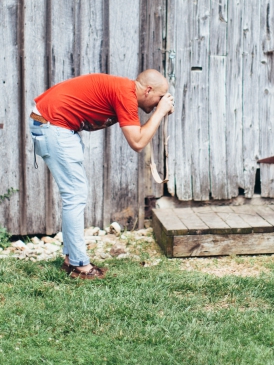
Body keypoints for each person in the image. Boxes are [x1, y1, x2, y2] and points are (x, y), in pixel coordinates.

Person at [29, 70, 174, 279]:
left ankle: (72, 260)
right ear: (148, 90)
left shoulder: (125, 91)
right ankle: (79, 266)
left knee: (75, 194)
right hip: (50, 122)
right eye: (160, 98)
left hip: (47, 120)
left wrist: (158, 110)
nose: (160, 103)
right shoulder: (126, 95)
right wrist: (159, 113)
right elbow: (138, 142)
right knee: (75, 195)